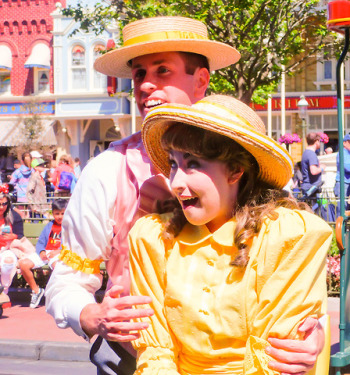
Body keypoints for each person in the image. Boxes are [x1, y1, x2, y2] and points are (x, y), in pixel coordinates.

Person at [45, 16, 324, 375]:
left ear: (202, 80)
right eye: (139, 75)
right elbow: (67, 279)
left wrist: (308, 332)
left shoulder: (259, 186)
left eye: (162, 71)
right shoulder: (106, 172)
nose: (146, 85)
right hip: (135, 359)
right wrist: (90, 314)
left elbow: (284, 277)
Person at [129, 95, 332, 374]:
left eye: (193, 164)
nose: (176, 182)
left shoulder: (287, 237)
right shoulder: (152, 237)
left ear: (235, 170)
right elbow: (156, 350)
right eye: (173, 163)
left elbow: (275, 357)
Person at [18, 199, 68, 309]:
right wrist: (41, 251)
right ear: (53, 213)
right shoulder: (49, 226)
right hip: (45, 253)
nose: (60, 216)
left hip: (60, 253)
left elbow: (72, 243)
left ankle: (58, 296)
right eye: (57, 214)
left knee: (58, 266)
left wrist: (60, 250)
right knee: (23, 264)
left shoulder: (69, 227)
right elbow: (41, 242)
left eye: (63, 213)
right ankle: (36, 290)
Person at [0, 186, 25, 296]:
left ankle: (4, 292)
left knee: (8, 261)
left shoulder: (14, 216)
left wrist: (13, 236)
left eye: (4, 204)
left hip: (8, 248)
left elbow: (20, 235)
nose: (1, 207)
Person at [301, 132, 325, 198]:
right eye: (319, 141)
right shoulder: (311, 154)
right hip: (312, 189)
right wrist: (322, 168)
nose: (320, 143)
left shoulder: (306, 153)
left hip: (308, 187)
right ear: (316, 141)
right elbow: (313, 171)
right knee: (314, 208)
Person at [334, 133, 350, 198]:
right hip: (343, 183)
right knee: (342, 206)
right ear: (344, 143)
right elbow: (347, 168)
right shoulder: (341, 153)